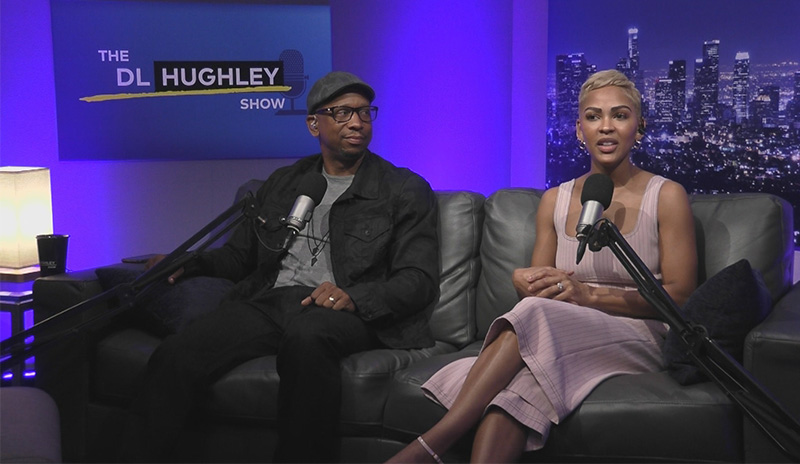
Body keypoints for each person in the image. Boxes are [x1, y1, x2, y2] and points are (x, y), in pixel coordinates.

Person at [120, 71, 440, 463]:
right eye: (342, 113)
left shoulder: (403, 189)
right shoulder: (285, 183)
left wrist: (353, 297)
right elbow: (239, 256)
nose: (357, 122)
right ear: (314, 125)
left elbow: (418, 280)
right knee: (179, 352)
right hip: (272, 302)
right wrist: (189, 263)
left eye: (364, 112)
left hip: (343, 311)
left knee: (308, 338)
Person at [387, 69, 698, 463]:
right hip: (562, 333)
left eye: (620, 115)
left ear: (639, 127)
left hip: (641, 335)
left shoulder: (666, 195)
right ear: (579, 130)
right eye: (593, 116)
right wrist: (527, 282)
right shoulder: (555, 200)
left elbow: (680, 297)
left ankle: (432, 443)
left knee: (533, 324)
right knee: (517, 391)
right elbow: (538, 294)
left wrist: (589, 295)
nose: (606, 126)